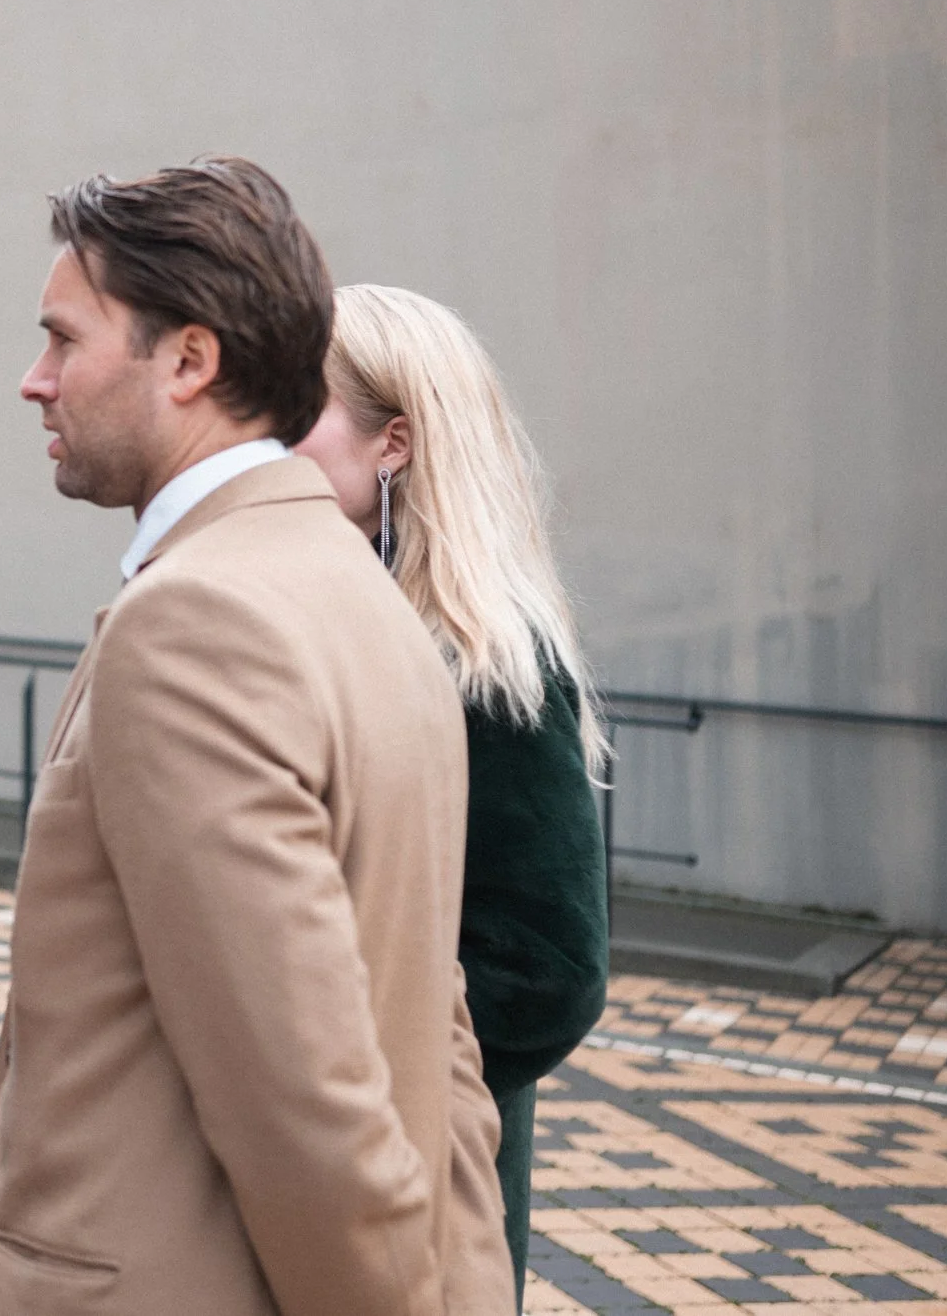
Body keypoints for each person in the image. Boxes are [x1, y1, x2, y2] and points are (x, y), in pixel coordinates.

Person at [0, 161, 513, 1316]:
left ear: (189, 361)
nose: (34, 379)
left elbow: (303, 1094)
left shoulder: (195, 618)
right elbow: (437, 1036)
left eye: (63, 338)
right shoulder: (361, 592)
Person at [295, 283, 610, 1298]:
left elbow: (550, 970)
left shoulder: (491, 663)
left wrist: (349, 1087)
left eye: (296, 404)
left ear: (392, 443)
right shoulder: (321, 614)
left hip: (419, 1186)